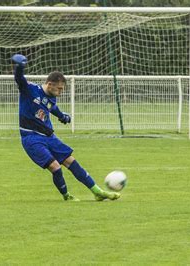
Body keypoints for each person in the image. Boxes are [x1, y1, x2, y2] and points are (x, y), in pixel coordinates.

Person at [11, 54, 120, 201]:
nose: (61, 92)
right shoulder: (30, 89)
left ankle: (97, 192)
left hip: (49, 137)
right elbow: (19, 79)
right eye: (59, 89)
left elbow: (52, 107)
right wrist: (19, 67)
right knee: (55, 167)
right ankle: (66, 196)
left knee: (71, 161)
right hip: (31, 138)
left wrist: (62, 116)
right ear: (50, 84)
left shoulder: (51, 97)